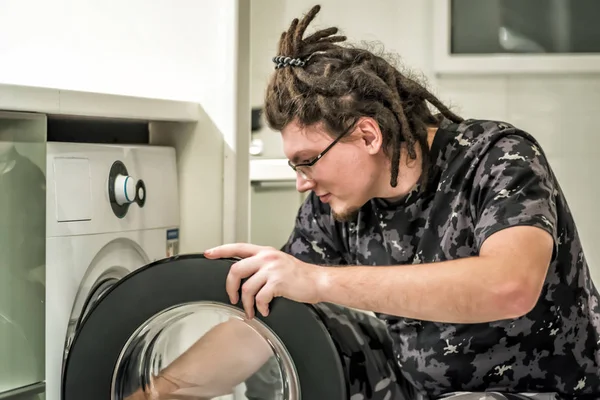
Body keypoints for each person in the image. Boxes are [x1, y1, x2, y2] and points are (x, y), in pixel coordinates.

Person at [130, 4, 600, 400]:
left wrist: (319, 280)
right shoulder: (336, 206)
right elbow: (256, 326)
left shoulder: (498, 157)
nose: (302, 182)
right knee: (294, 322)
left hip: (546, 389)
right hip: (417, 386)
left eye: (307, 161)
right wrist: (155, 393)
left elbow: (510, 286)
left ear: (368, 134)